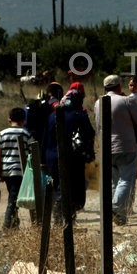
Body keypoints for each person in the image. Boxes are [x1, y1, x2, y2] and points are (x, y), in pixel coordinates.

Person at [94, 75, 137, 226]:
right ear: (118, 86)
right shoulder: (125, 101)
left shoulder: (98, 103)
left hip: (106, 147)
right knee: (126, 180)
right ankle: (116, 208)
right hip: (125, 146)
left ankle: (120, 216)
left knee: (114, 181)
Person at [42, 86, 96, 221]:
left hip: (52, 157)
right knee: (71, 186)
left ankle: (62, 216)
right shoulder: (79, 115)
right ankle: (64, 217)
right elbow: (89, 133)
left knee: (59, 184)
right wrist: (89, 154)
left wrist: (43, 160)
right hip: (72, 157)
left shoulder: (51, 116)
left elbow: (44, 139)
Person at [0, 107, 34, 229]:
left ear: (9, 119)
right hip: (20, 171)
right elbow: (32, 153)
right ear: (24, 120)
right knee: (13, 198)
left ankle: (13, 223)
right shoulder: (26, 134)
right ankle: (8, 224)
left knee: (13, 195)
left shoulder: (2, 134)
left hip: (6, 171)